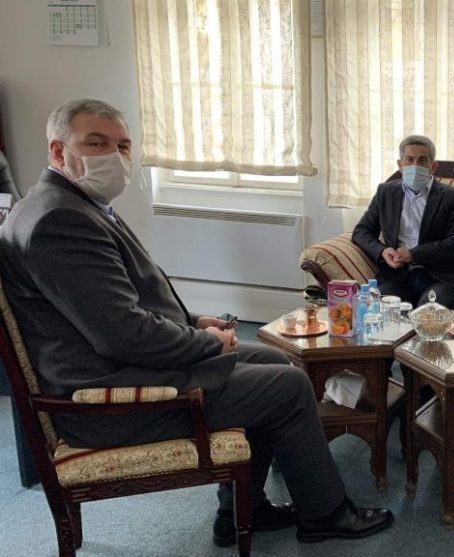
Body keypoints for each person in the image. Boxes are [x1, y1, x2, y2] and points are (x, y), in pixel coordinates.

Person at [0, 99, 394, 546]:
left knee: (275, 362)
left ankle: (242, 510)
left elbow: (117, 304)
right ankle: (325, 514)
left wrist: (194, 322)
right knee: (287, 388)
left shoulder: (67, 203)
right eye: (96, 143)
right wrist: (206, 342)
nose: (115, 156)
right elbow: (123, 334)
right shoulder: (60, 220)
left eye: (123, 145)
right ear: (58, 151)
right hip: (109, 400)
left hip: (120, 366)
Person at [352, 135, 454, 310]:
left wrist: (414, 254)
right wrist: (383, 251)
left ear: (433, 166)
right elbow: (361, 231)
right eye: (409, 159)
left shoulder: (452, 197)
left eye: (422, 160)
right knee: (377, 309)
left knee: (428, 314)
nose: (415, 166)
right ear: (400, 164)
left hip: (441, 278)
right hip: (397, 276)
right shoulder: (386, 192)